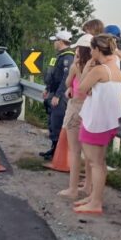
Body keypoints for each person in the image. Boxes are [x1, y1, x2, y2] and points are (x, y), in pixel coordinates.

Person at [73, 34, 121, 215]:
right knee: (99, 163)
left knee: (95, 163)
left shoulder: (99, 70)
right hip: (108, 121)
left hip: (96, 121)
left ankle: (95, 202)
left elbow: (80, 88)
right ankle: (94, 197)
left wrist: (86, 67)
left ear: (96, 49)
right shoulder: (115, 68)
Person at [58, 34, 93, 200]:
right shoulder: (97, 67)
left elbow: (67, 83)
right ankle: (88, 185)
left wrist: (69, 87)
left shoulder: (76, 66)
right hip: (92, 109)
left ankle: (72, 188)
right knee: (90, 152)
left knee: (74, 150)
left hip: (76, 106)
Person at [40, 30, 75, 160]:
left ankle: (58, 152)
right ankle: (54, 149)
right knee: (52, 121)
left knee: (57, 121)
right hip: (53, 92)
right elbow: (53, 75)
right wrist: (47, 89)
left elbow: (65, 79)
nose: (54, 43)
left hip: (59, 95)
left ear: (60, 41)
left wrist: (58, 96)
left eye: (55, 40)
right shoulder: (59, 55)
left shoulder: (68, 58)